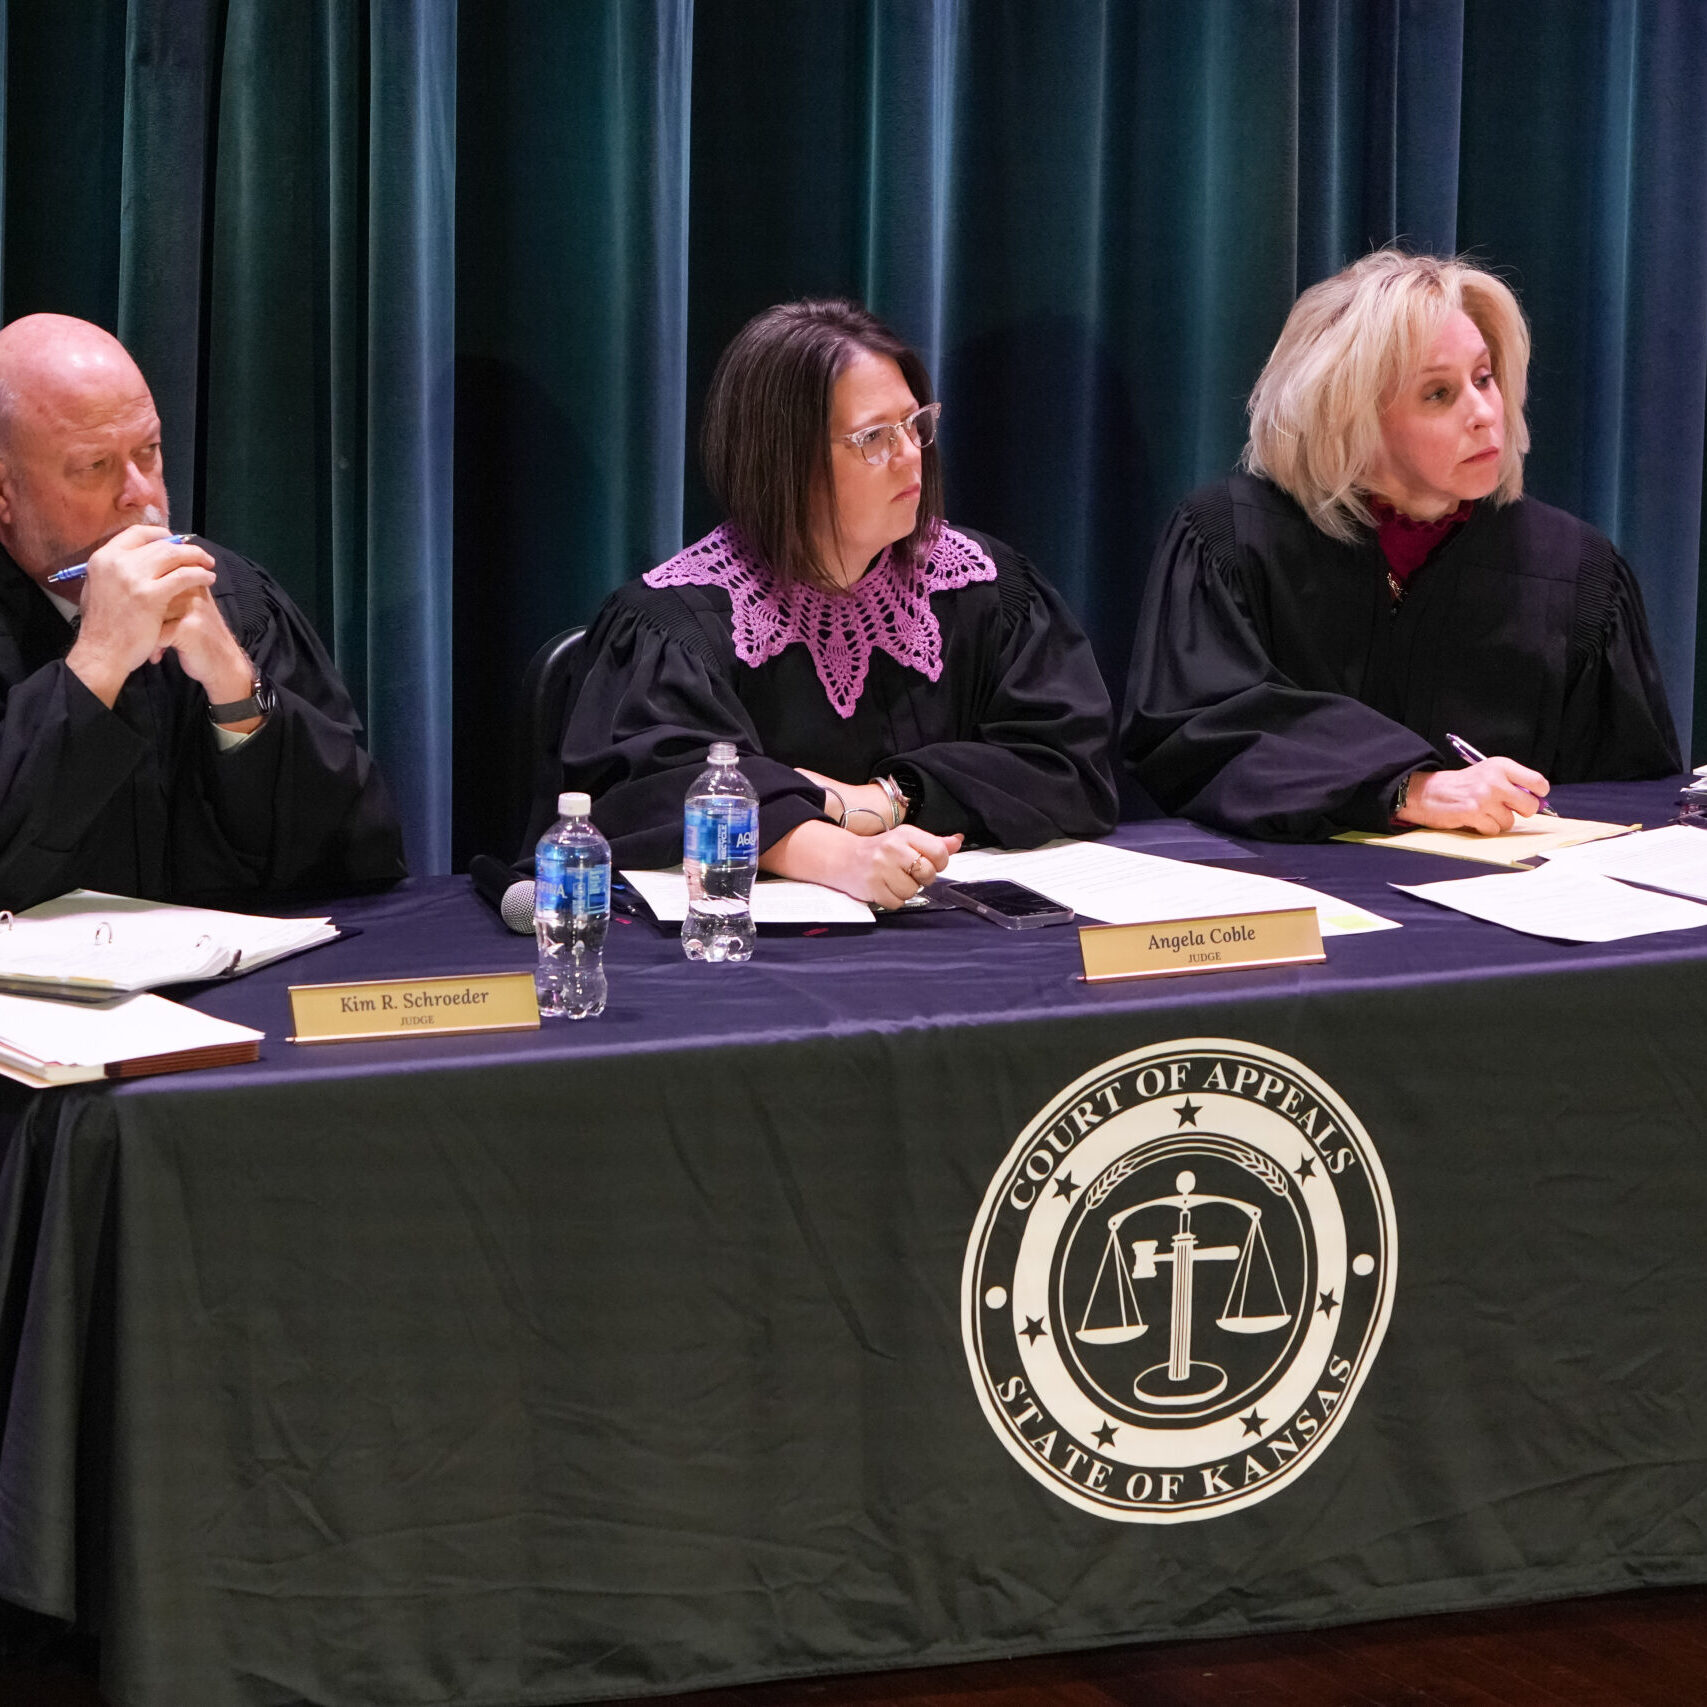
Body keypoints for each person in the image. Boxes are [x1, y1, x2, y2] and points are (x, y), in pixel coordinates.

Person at [558, 298, 1118, 908]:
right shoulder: (676, 626)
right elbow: (645, 797)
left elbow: (1068, 767)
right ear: (786, 463)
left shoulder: (984, 587)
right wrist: (831, 850)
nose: (912, 455)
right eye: (873, 438)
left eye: (916, 424)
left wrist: (886, 798)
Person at [1121, 250, 1680, 841]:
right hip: (1292, 898)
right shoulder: (1231, 540)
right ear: (1347, 419)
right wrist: (1406, 787)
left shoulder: (1576, 572)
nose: (1485, 413)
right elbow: (1192, 737)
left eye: (1484, 378)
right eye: (1438, 394)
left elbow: (1630, 799)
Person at [0, 313, 405, 910]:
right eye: (95, 466)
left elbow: (360, 852)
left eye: (149, 451)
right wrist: (96, 666)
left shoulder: (231, 595)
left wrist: (236, 687)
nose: (140, 493)